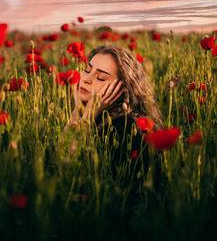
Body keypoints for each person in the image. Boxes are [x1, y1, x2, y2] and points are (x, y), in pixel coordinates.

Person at [65, 43, 165, 206]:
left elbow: (66, 166)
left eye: (101, 77)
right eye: (87, 70)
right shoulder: (102, 116)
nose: (86, 79)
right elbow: (61, 154)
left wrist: (88, 114)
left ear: (122, 89)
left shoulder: (123, 128)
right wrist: (78, 110)